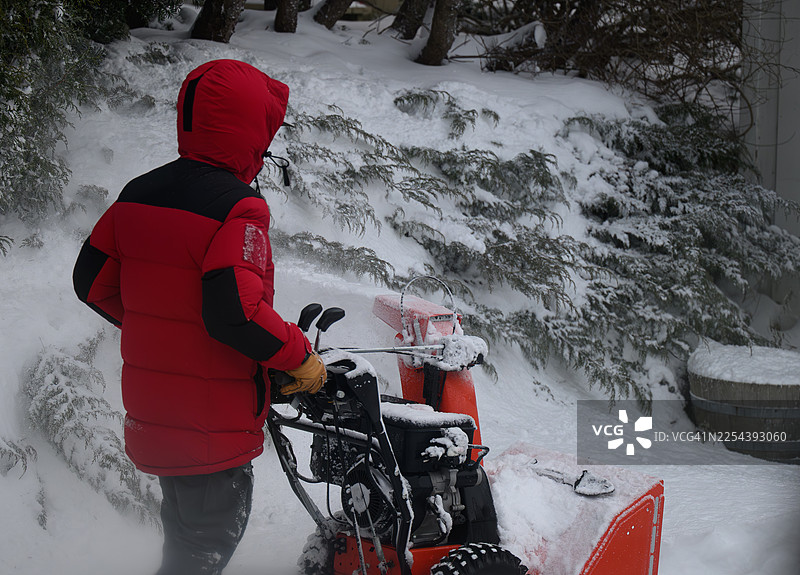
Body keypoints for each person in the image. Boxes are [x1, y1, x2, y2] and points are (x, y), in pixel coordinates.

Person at [72, 59, 326, 575]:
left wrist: (164, 329)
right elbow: (237, 310)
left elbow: (91, 282)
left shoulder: (138, 194)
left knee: (186, 542)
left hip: (160, 415)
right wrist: (300, 356)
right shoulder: (239, 208)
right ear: (252, 131)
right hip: (208, 423)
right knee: (200, 553)